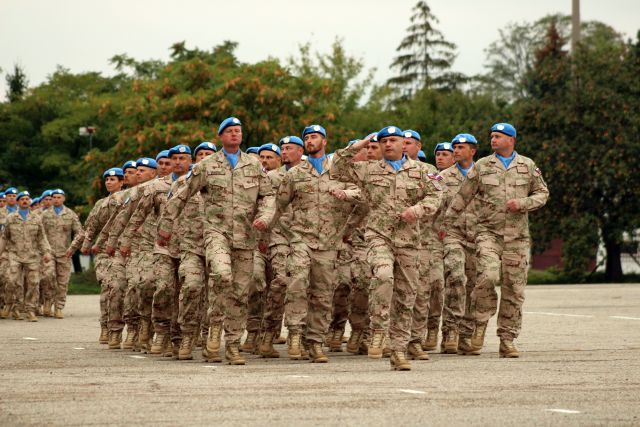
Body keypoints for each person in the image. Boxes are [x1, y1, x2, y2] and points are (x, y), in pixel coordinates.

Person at [157, 117, 276, 365]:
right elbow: (182, 195)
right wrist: (166, 227)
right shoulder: (207, 165)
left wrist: (265, 217)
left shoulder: (253, 164)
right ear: (221, 136)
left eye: (238, 131)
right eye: (229, 131)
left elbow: (268, 196)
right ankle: (213, 327)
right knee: (222, 276)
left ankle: (232, 344)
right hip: (216, 233)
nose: (234, 134)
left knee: (240, 292)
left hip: (246, 237)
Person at [332, 126, 443, 371]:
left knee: (406, 296)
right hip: (378, 236)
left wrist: (418, 210)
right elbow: (336, 168)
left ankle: (399, 351)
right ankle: (378, 329)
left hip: (409, 240)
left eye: (393, 140)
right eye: (384, 141)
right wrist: (357, 146)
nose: (389, 144)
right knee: (383, 275)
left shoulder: (422, 171)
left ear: (404, 143)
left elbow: (436, 196)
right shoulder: (368, 169)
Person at [442, 123, 549, 357]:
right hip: (488, 234)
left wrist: (523, 203)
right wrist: (445, 224)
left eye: (498, 136)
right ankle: (480, 323)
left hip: (517, 238)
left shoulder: (527, 166)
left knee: (514, 289)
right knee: (487, 277)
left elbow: (542, 193)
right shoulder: (482, 166)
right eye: (491, 136)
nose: (493, 140)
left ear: (511, 140)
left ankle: (507, 339)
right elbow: (462, 197)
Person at [276, 125, 362, 363]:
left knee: (323, 294)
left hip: (328, 243)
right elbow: (279, 207)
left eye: (314, 137)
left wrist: (346, 196)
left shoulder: (340, 171)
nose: (309, 141)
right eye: (306, 138)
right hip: (301, 240)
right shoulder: (294, 174)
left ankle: (314, 341)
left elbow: (362, 195)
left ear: (324, 141)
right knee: (297, 282)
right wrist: (288, 233)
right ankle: (295, 333)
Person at [257, 135, 305, 357]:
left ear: (300, 151)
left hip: (306, 237)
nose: (284, 152)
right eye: (282, 148)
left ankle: (301, 337)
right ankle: (268, 333)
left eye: (289, 148)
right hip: (279, 236)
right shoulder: (271, 178)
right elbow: (262, 206)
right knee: (282, 281)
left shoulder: (310, 173)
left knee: (305, 285)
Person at [68, 167, 125, 343]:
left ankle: (130, 329)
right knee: (109, 287)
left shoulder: (130, 199)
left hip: (126, 251)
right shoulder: (101, 203)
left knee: (122, 291)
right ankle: (107, 327)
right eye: (107, 179)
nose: (109, 182)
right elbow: (90, 227)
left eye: (113, 179)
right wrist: (73, 248)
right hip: (104, 252)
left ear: (122, 182)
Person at [175, 142, 216, 360]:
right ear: (194, 159)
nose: (205, 157)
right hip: (191, 246)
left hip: (218, 245)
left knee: (215, 294)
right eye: (201, 154)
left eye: (209, 154)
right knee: (192, 287)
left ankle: (210, 336)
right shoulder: (183, 183)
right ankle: (188, 335)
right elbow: (171, 212)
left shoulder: (226, 182)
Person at [439, 133, 479, 355]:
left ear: (472, 151)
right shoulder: (443, 177)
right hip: (452, 235)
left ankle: (466, 334)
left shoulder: (483, 175)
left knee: (474, 285)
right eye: (454, 147)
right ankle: (451, 330)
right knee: (456, 278)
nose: (456, 151)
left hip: (478, 236)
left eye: (461, 147)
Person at [243, 143, 283, 353]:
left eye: (269, 157)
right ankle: (252, 331)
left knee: (279, 284)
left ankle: (270, 332)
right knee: (256, 281)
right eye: (262, 157)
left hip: (280, 240)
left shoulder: (287, 180)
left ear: (279, 160)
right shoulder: (250, 180)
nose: (265, 161)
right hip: (254, 241)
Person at [0, 191, 52, 321]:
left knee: (33, 283)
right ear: (18, 202)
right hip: (15, 255)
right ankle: (10, 305)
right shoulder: (10, 218)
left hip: (32, 256)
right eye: (22, 199)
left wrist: (46, 252)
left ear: (29, 201)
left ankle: (30, 310)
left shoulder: (36, 218)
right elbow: (4, 238)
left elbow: (42, 237)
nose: (25, 201)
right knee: (11, 281)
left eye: (27, 199)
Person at [41, 188, 83, 319]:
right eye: (54, 197)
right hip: (49, 253)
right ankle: (47, 301)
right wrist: (43, 250)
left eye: (59, 197)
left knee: (63, 281)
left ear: (63, 199)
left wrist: (73, 248)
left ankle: (58, 307)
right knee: (48, 276)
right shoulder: (45, 215)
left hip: (65, 253)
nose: (56, 200)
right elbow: (39, 234)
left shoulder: (70, 214)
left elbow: (79, 233)